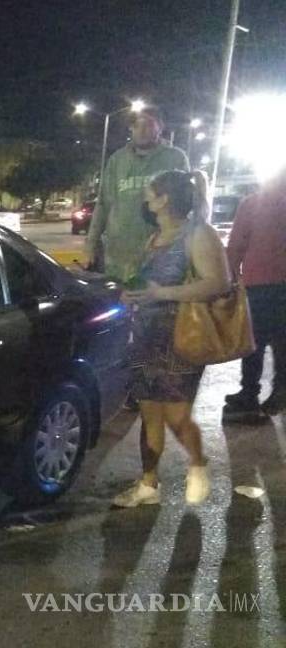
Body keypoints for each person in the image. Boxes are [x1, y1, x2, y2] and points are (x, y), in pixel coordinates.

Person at [112, 170, 230, 507]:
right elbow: (142, 284)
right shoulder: (152, 238)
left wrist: (162, 292)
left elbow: (217, 283)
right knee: (150, 414)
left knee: (176, 417)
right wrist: (130, 294)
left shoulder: (198, 234)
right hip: (146, 336)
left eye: (151, 194)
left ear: (165, 199)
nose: (146, 200)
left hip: (182, 338)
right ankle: (148, 484)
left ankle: (197, 463)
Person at [85, 107, 189, 280]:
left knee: (153, 302)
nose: (141, 130)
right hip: (118, 256)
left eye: (148, 124)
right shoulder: (117, 160)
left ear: (160, 128)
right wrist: (90, 245)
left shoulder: (175, 158)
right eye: (136, 125)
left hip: (159, 253)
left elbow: (185, 203)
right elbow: (103, 204)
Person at [223, 166, 286, 420]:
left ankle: (249, 393)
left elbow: (236, 245)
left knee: (253, 343)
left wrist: (229, 279)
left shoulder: (252, 204)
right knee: (283, 343)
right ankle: (281, 390)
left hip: (259, 284)